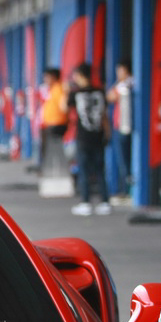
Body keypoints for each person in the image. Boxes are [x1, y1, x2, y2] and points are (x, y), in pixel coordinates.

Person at [68, 63, 110, 216]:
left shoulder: (75, 93)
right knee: (100, 170)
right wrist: (108, 133)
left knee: (84, 170)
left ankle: (85, 202)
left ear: (79, 75)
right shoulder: (100, 91)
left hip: (83, 137)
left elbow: (62, 108)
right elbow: (104, 115)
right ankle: (105, 201)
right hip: (98, 136)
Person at [111, 62, 134, 200]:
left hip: (125, 128)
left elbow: (110, 96)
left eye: (120, 70)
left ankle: (127, 191)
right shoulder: (123, 84)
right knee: (123, 160)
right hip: (120, 126)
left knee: (125, 160)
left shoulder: (126, 84)